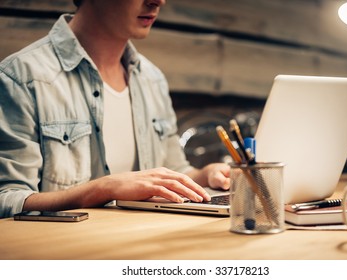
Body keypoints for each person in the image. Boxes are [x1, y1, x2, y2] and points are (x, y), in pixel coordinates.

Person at [0, 0, 230, 218]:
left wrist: (205, 175)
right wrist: (103, 189)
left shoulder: (152, 79)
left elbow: (172, 169)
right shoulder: (22, 77)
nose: (158, 1)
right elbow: (7, 199)